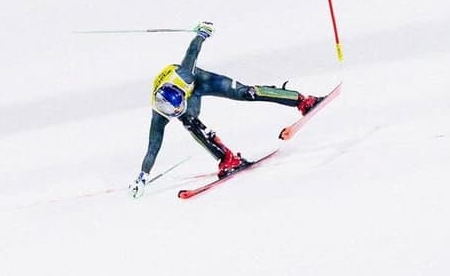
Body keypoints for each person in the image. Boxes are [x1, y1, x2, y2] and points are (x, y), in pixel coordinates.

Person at [128, 21, 325, 198]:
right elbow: (153, 146)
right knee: (190, 122)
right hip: (190, 99)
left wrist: (202, 33)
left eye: (179, 107)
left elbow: (192, 51)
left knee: (246, 93)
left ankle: (301, 100)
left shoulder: (184, 75)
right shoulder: (160, 112)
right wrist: (142, 175)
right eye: (175, 111)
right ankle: (227, 158)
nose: (178, 111)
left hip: (201, 81)